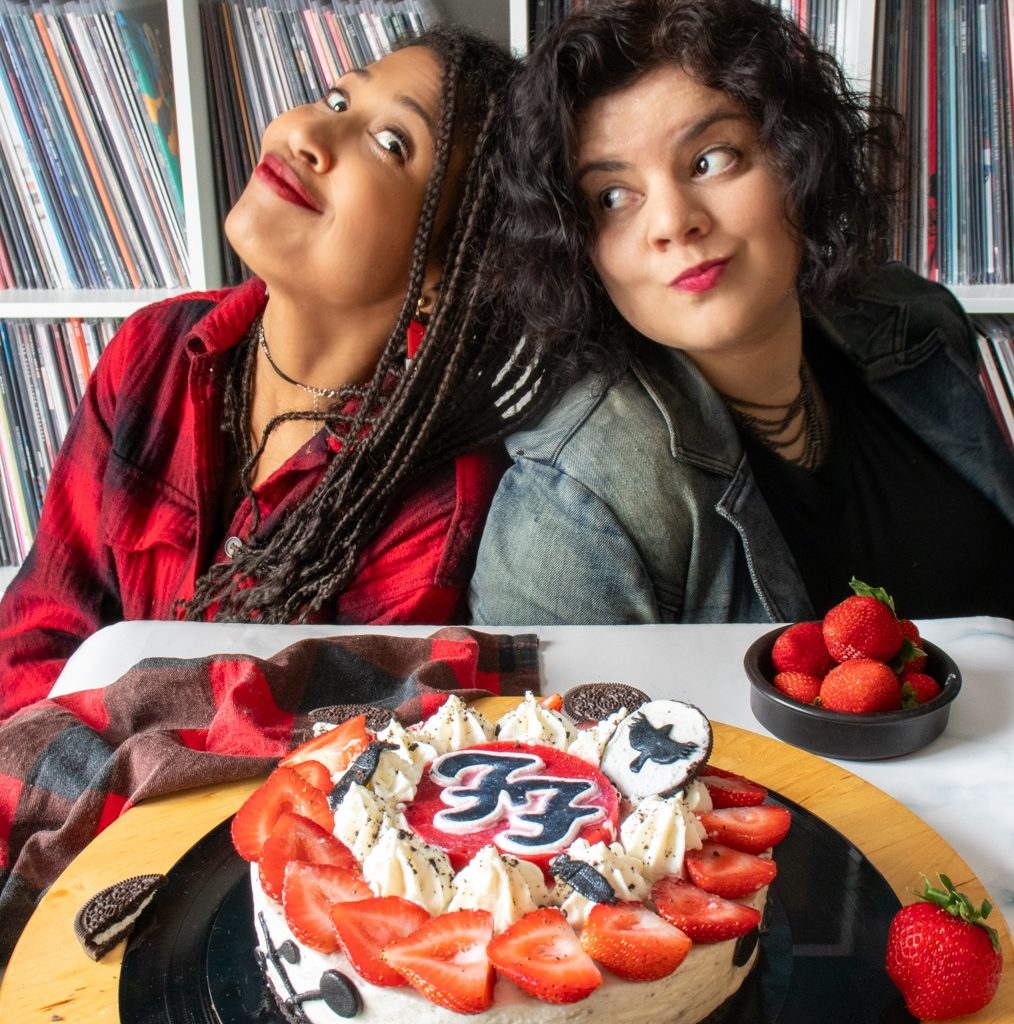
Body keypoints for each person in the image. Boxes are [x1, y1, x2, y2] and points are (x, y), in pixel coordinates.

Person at [0, 25, 554, 721]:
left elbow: (296, 754)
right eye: (336, 98)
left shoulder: (433, 501)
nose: (309, 134)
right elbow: (36, 632)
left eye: (392, 145)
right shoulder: (153, 351)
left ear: (448, 276)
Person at [470, 0, 1014, 625]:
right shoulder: (576, 501)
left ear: (795, 159)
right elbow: (538, 722)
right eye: (613, 198)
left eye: (710, 159)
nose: (674, 222)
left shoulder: (912, 316)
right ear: (575, 248)